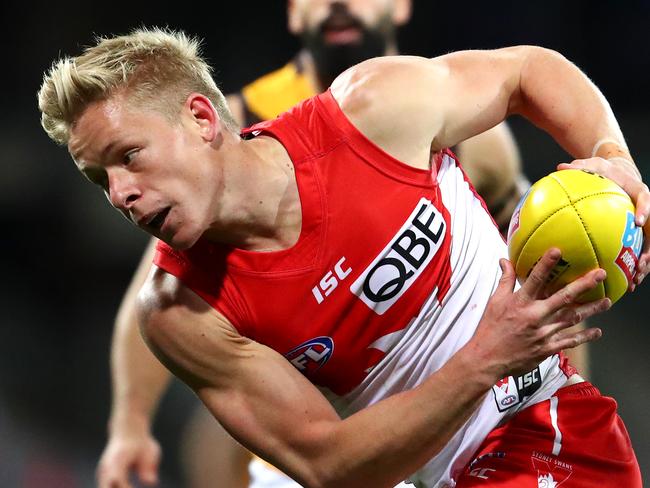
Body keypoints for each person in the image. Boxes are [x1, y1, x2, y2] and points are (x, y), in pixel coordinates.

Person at [38, 26, 649, 488]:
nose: (120, 194)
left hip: (544, 431)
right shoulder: (181, 313)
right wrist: (487, 355)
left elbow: (525, 72)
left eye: (129, 156)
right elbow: (330, 467)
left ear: (200, 118)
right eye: (101, 180)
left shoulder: (372, 111)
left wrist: (610, 154)